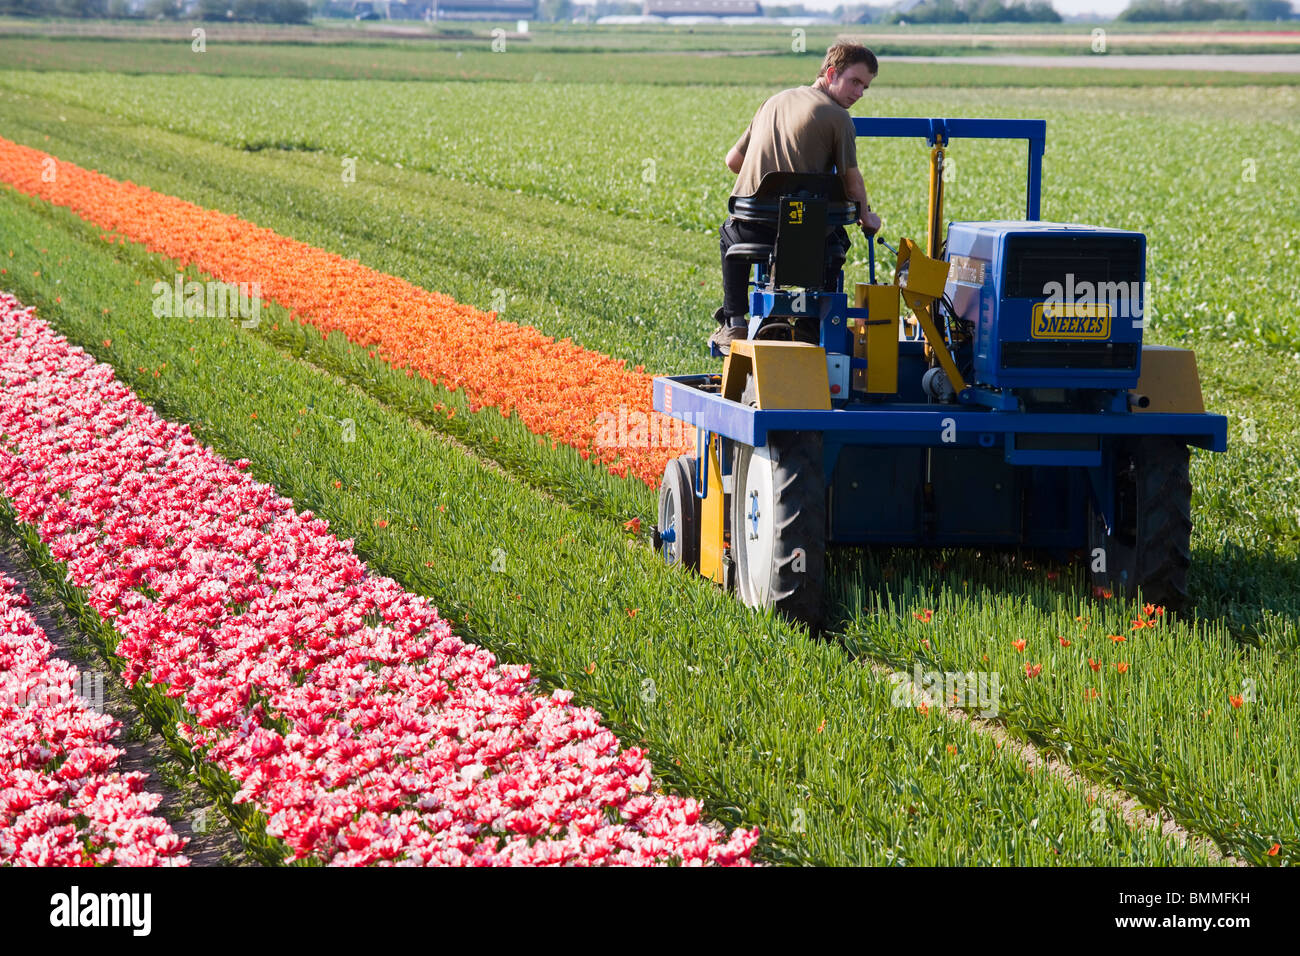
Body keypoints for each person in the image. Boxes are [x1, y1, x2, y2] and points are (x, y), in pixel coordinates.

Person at [710, 42, 884, 355]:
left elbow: (733, 161)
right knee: (837, 241)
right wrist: (867, 217)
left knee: (728, 236)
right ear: (831, 74)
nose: (859, 93)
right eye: (855, 82)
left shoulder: (773, 102)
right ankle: (813, 323)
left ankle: (734, 320)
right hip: (807, 233)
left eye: (865, 87)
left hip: (751, 229)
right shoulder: (838, 118)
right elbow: (851, 180)